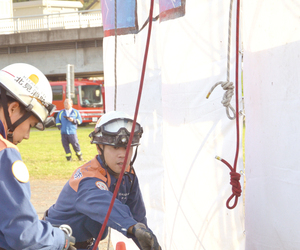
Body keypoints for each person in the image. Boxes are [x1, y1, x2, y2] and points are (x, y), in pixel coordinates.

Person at [44, 111, 161, 250]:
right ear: (99, 148)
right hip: (54, 243)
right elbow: (104, 204)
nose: (123, 155)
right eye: (115, 147)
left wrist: (147, 239)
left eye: (128, 147)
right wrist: (132, 227)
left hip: (88, 244)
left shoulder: (128, 176)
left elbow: (138, 220)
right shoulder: (87, 177)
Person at [0, 63, 76, 249]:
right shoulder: (4, 153)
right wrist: (60, 239)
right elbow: (25, 236)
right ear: (12, 109)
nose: (27, 136)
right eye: (31, 125)